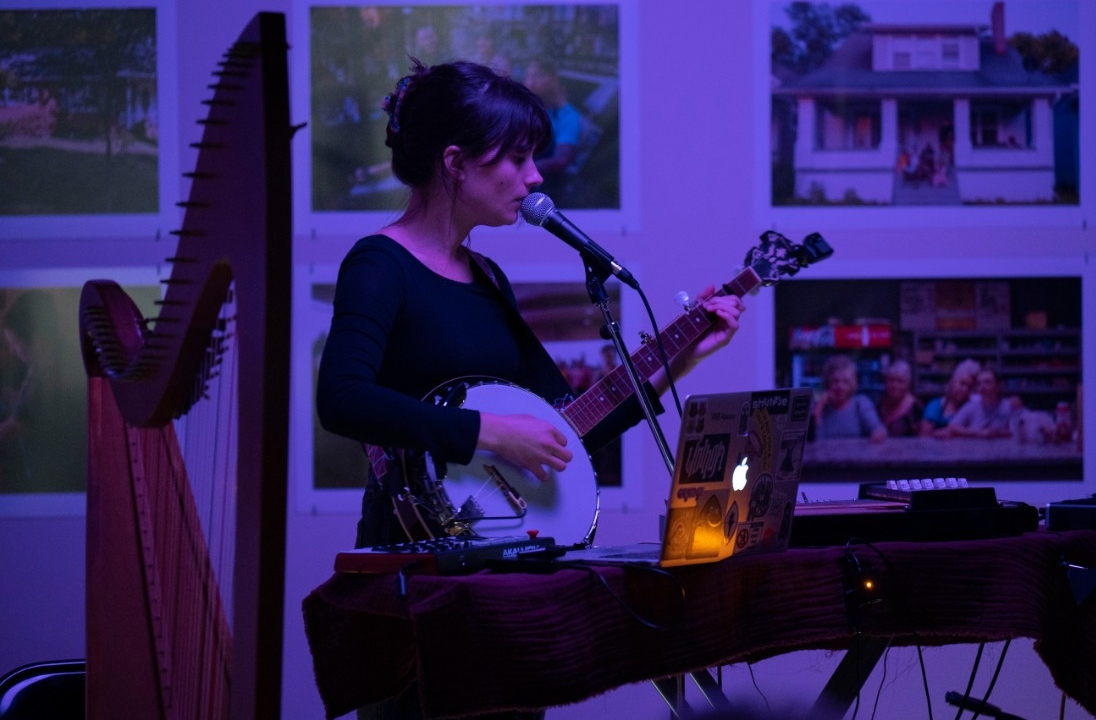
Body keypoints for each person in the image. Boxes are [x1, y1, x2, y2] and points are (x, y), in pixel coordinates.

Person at [315, 61, 745, 718]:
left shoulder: (486, 276)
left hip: (506, 573)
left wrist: (680, 362)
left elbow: (566, 426)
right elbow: (341, 397)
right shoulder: (380, 264)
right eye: (516, 158)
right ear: (455, 163)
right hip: (421, 582)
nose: (536, 177)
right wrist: (486, 433)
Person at [522, 59, 589, 203]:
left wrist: (519, 169)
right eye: (527, 77)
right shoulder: (529, 110)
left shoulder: (567, 116)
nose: (529, 82)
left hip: (542, 192)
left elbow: (560, 161)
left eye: (536, 76)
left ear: (552, 79)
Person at [810, 355, 886, 442]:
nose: (840, 387)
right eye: (835, 381)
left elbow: (879, 430)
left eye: (845, 382)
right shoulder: (819, 406)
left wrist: (877, 434)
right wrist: (819, 408)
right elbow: (816, 442)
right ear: (828, 382)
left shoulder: (860, 403)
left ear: (852, 384)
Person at [939, 367, 1018, 439]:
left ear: (998, 385)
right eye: (979, 383)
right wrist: (978, 433)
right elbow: (952, 426)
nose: (982, 386)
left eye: (987, 382)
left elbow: (1017, 431)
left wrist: (996, 433)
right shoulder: (971, 406)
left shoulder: (1010, 405)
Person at [919, 358, 980, 437]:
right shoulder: (935, 406)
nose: (965, 389)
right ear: (952, 382)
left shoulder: (972, 408)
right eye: (962, 384)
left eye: (969, 387)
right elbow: (924, 436)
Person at [876, 359, 922, 437]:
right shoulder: (880, 404)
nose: (894, 385)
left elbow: (922, 440)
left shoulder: (916, 408)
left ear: (908, 383)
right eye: (891, 380)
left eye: (900, 381)